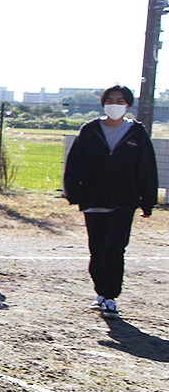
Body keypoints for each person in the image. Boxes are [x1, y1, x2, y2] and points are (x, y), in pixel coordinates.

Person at [62, 84, 158, 319]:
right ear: (104, 103)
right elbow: (75, 163)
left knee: (115, 248)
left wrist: (148, 201)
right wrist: (74, 193)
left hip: (124, 200)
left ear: (128, 105)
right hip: (93, 199)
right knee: (97, 249)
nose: (115, 104)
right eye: (111, 100)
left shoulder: (136, 133)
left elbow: (146, 168)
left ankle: (111, 296)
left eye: (120, 100)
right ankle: (100, 293)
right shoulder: (90, 130)